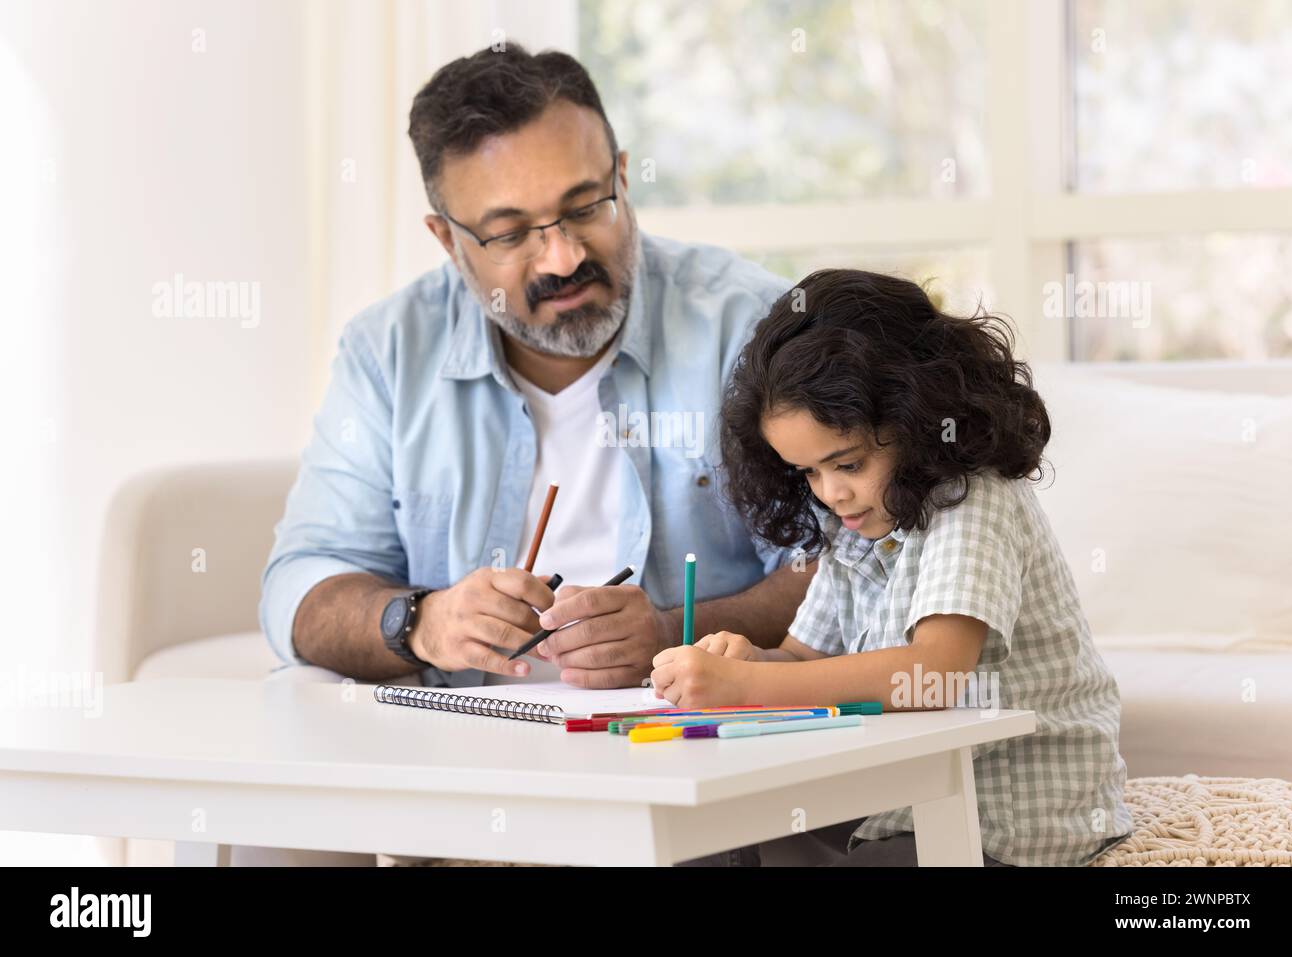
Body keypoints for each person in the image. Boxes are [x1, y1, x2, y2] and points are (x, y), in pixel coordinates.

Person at [250, 43, 809, 865]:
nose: (563, 257)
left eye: (587, 205)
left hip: (679, 764)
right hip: (457, 767)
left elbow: (842, 571)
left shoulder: (749, 325)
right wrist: (421, 620)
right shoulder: (387, 351)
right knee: (260, 830)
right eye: (511, 232)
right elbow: (298, 590)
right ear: (447, 239)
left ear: (622, 173)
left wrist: (671, 628)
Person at [653, 269, 1135, 866]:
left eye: (847, 464)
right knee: (710, 836)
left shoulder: (974, 499)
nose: (831, 493)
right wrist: (751, 661)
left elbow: (933, 675)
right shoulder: (852, 520)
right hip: (898, 800)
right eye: (808, 472)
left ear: (917, 420)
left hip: (1010, 820)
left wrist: (747, 688)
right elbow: (804, 659)